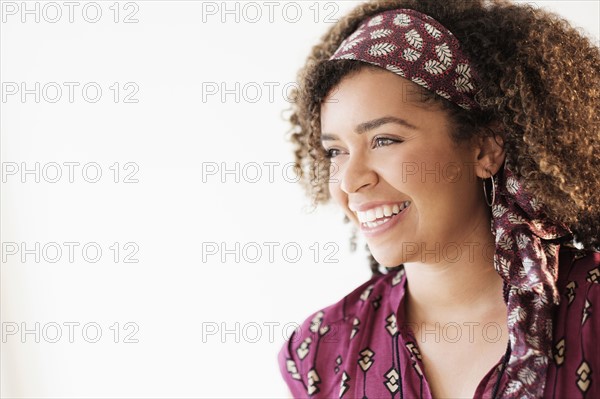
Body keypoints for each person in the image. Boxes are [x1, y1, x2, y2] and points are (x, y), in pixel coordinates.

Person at [276, 0, 600, 398]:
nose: (350, 180)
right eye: (335, 151)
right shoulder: (320, 352)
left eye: (384, 140)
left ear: (484, 148)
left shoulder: (593, 311)